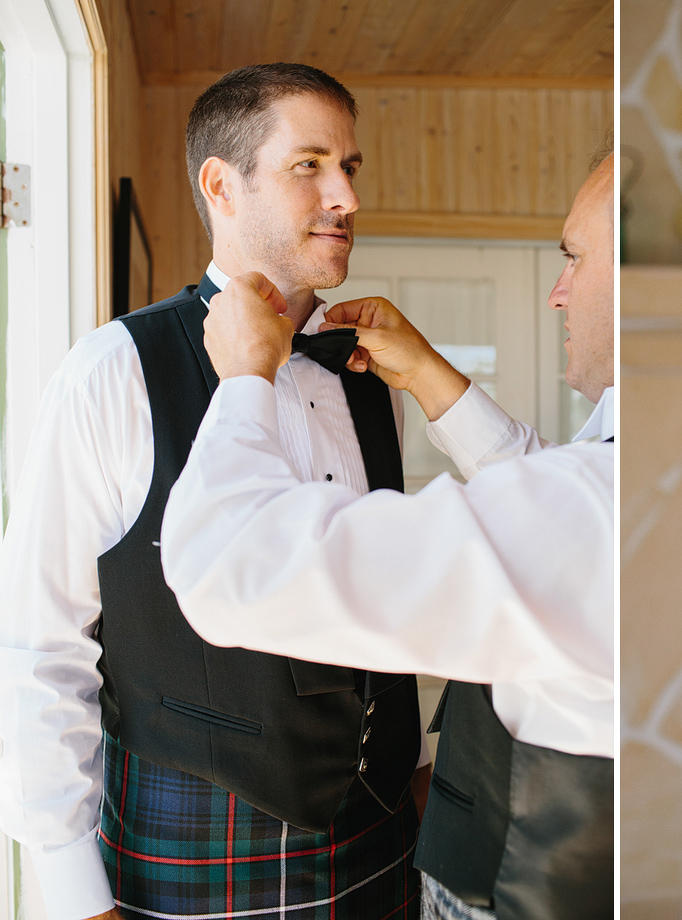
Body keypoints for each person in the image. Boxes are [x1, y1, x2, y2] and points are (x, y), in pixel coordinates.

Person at [0, 64, 427, 920]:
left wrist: (412, 770)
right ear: (221, 186)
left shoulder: (374, 375)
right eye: (309, 165)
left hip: (386, 842)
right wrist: (75, 894)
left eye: (351, 166)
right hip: (190, 850)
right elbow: (37, 644)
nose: (345, 194)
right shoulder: (111, 372)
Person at [157, 155, 616, 920]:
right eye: (309, 163)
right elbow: (553, 500)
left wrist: (243, 378)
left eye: (573, 258)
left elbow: (232, 562)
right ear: (221, 185)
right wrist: (435, 378)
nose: (557, 292)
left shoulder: (601, 510)